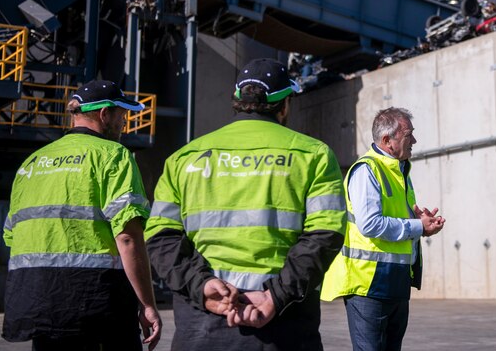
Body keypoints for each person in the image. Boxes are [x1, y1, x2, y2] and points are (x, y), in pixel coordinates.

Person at [144, 58, 346, 350]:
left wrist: (201, 287)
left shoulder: (183, 158)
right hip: (283, 325)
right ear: (285, 104)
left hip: (203, 321)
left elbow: (161, 238)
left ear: (237, 101)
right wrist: (275, 296)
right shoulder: (313, 155)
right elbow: (325, 235)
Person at [3, 80, 162, 350]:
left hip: (36, 300)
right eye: (122, 114)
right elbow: (128, 238)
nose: (124, 123)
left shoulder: (31, 163)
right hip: (96, 302)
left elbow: (11, 235)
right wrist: (148, 304)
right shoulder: (113, 156)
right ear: (104, 114)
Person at [321, 107, 445, 351]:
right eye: (409, 135)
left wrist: (420, 221)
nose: (415, 141)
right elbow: (370, 224)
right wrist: (417, 226)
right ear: (388, 141)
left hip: (394, 281)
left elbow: (393, 217)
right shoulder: (367, 170)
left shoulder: (399, 172)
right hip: (369, 285)